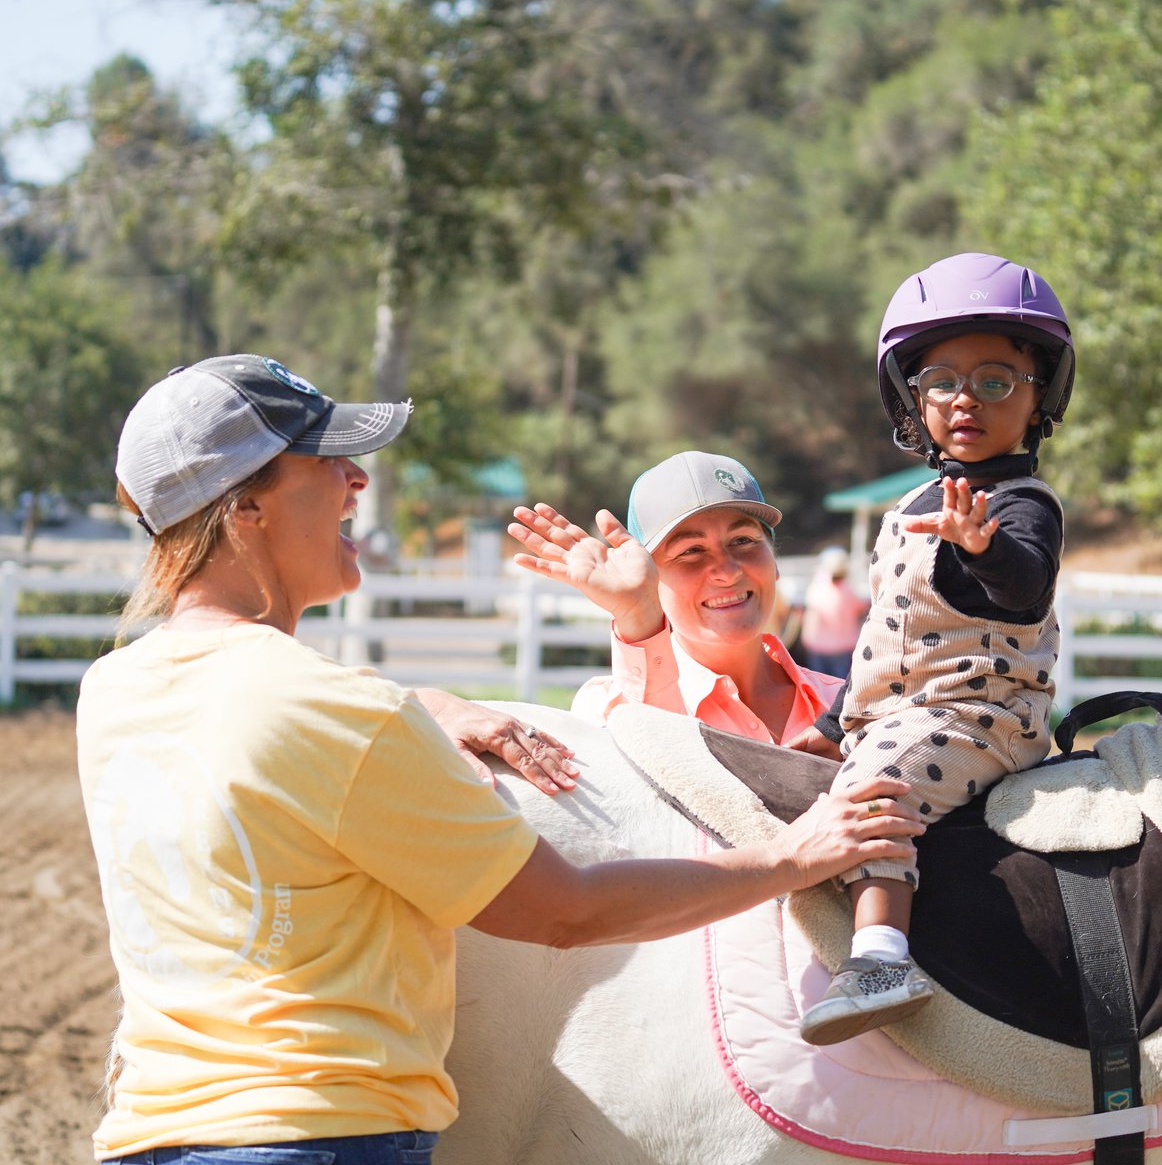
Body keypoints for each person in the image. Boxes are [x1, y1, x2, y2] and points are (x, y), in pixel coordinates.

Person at [76, 354, 925, 1164]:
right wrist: (793, 855)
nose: (358, 481)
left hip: (150, 1127)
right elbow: (568, 912)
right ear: (244, 507)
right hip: (317, 1127)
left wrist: (420, 706)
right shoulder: (340, 710)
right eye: (326, 459)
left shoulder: (112, 692)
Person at [792, 252, 1075, 1046]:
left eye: (994, 382)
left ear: (1037, 398)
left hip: (983, 713)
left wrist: (983, 548)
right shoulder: (916, 502)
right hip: (900, 708)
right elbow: (888, 628)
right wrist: (832, 716)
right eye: (942, 382)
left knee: (876, 791)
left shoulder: (1020, 504)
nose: (964, 400)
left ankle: (882, 955)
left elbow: (1023, 588)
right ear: (913, 399)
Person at [508, 450, 844, 747]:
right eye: (690, 551)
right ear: (650, 577)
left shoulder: (850, 707)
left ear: (774, 561)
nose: (726, 571)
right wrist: (637, 613)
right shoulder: (606, 709)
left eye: (743, 540)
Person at [782, 545, 868, 677]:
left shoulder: (817, 587)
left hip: (818, 645)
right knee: (840, 685)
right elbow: (859, 608)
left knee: (818, 684)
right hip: (841, 647)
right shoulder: (847, 590)